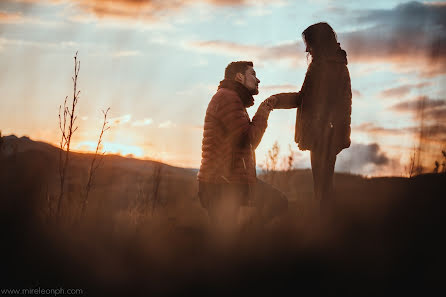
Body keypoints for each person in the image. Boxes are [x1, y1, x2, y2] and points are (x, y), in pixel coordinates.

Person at [197, 61, 288, 233]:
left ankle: (245, 240)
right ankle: (246, 239)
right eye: (252, 74)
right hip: (221, 185)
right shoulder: (228, 98)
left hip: (228, 181)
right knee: (225, 242)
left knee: (277, 202)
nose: (258, 79)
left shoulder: (231, 98)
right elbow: (249, 140)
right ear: (239, 77)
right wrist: (263, 112)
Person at [272, 22, 352, 214]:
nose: (307, 49)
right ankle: (325, 229)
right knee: (323, 189)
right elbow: (305, 98)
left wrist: (335, 134)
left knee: (323, 190)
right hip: (325, 136)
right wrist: (276, 101)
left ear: (318, 42)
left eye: (309, 43)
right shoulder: (330, 65)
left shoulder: (325, 67)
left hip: (323, 136)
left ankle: (325, 232)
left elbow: (340, 105)